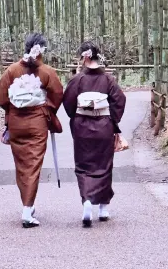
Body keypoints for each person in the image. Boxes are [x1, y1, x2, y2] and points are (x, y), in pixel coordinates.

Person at [0, 33, 63, 228]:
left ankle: (27, 204)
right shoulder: (47, 71)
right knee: (33, 165)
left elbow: (1, 96)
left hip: (16, 122)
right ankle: (27, 210)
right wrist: (46, 109)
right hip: (37, 123)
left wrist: (13, 108)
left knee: (22, 165)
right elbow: (57, 94)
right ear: (42, 50)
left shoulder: (12, 70)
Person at [63, 41, 127, 227]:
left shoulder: (78, 80)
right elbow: (119, 101)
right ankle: (103, 208)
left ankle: (87, 202)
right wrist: (112, 122)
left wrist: (77, 118)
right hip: (103, 127)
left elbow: (68, 104)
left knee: (83, 165)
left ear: (85, 57)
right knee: (104, 165)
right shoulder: (108, 80)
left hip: (82, 127)